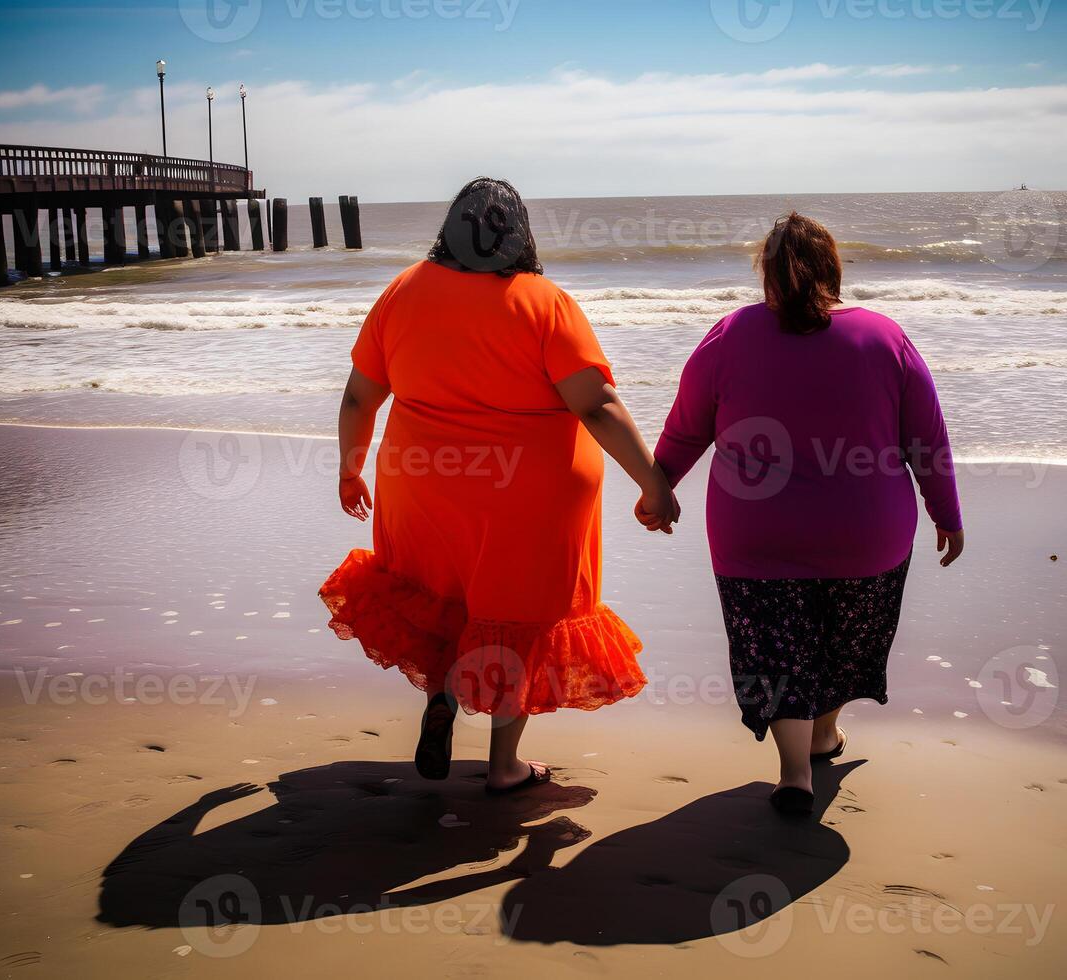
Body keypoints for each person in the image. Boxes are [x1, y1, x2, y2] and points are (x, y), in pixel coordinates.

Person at [321, 177, 678, 794]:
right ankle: (505, 764)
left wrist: (350, 468)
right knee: (518, 620)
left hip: (423, 482)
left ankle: (440, 701)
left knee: (441, 599)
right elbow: (596, 407)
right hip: (526, 500)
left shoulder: (402, 292)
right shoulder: (544, 303)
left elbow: (359, 395)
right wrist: (652, 483)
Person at [646, 212, 964, 816]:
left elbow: (688, 428)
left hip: (755, 535)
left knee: (775, 645)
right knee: (845, 638)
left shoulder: (730, 334)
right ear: (833, 269)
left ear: (766, 272)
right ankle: (824, 735)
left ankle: (795, 772)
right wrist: (946, 512)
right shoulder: (884, 336)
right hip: (865, 534)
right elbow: (928, 440)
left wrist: (659, 487)